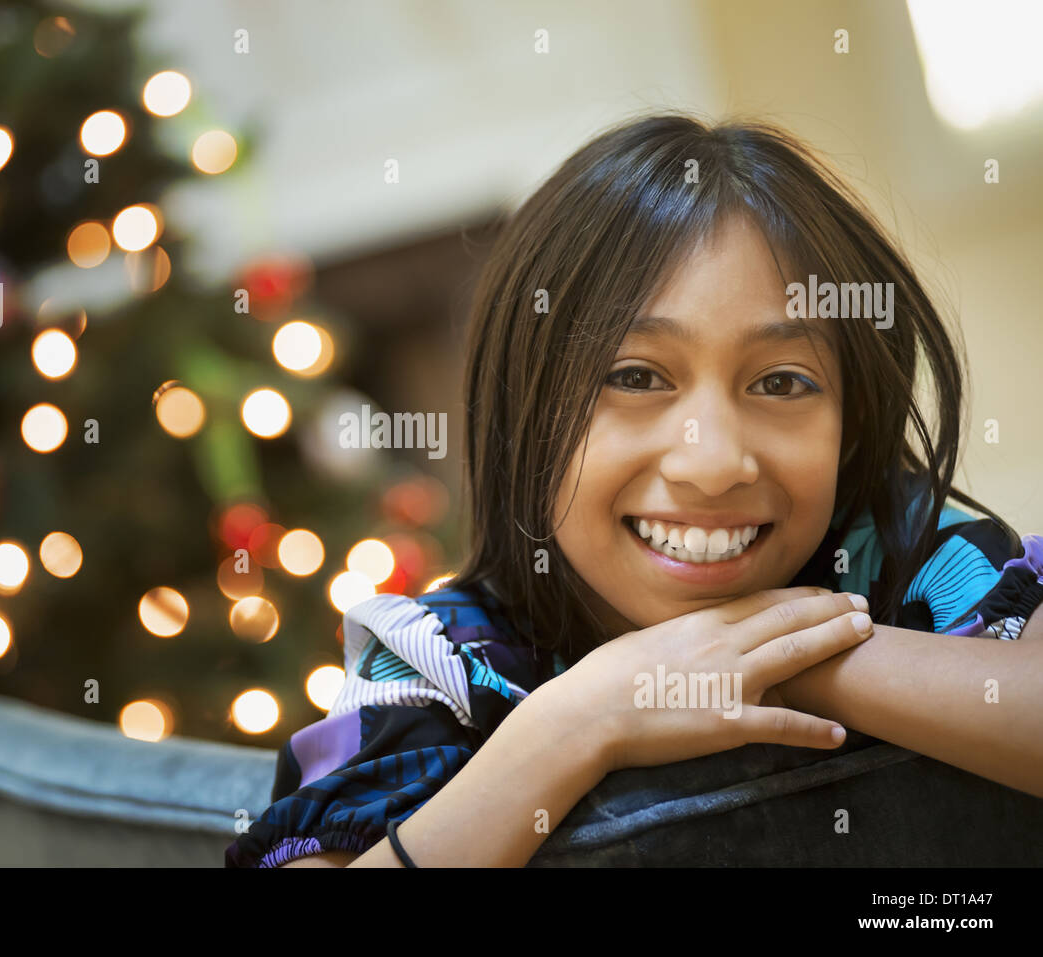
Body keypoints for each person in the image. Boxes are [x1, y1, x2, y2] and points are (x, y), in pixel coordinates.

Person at [224, 113, 1043, 868]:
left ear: (850, 427)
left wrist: (780, 661)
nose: (712, 462)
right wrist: (582, 721)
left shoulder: (910, 558)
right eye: (637, 375)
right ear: (526, 419)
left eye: (782, 382)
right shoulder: (440, 660)